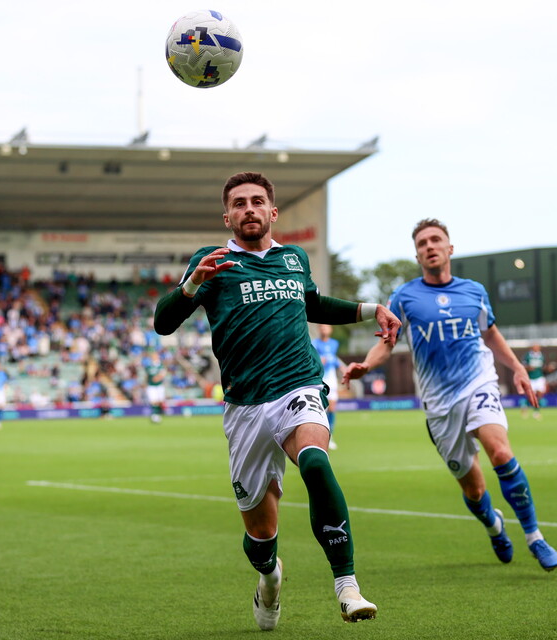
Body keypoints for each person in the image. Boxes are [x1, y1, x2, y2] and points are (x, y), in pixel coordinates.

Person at [154, 172, 400, 629]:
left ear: (272, 212)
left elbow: (312, 303)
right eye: (239, 203)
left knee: (315, 460)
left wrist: (371, 310)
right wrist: (191, 286)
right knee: (261, 537)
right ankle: (270, 577)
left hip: (298, 386)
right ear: (227, 216)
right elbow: (163, 324)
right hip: (245, 406)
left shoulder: (294, 257)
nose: (249, 209)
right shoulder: (212, 262)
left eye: (257, 201)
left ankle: (347, 586)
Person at [343, 218, 557, 572]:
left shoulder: (474, 290)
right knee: (474, 489)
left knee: (501, 451)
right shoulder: (404, 296)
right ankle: (494, 525)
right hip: (439, 404)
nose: (430, 246)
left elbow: (490, 335)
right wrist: (366, 366)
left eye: (436, 240)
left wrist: (518, 368)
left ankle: (535, 537)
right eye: (423, 243)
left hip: (478, 382)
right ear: (417, 255)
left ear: (450, 248)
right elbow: (387, 344)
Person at [312, 324, 345, 450]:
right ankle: (320, 436)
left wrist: (342, 368)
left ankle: (330, 435)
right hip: (320, 378)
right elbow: (313, 359)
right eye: (321, 327)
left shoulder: (334, 344)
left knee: (332, 407)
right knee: (320, 408)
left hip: (331, 378)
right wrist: (319, 360)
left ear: (330, 329)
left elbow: (334, 358)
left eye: (326, 327)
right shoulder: (314, 343)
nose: (323, 329)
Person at [521, 343, 546, 419]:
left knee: (540, 394)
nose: (537, 349)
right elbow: (523, 367)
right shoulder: (527, 356)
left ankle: (536, 411)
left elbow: (542, 366)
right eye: (535, 347)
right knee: (531, 395)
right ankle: (525, 406)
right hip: (530, 378)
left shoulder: (541, 356)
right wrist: (528, 368)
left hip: (539, 377)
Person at [142, 351, 167, 424]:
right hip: (151, 386)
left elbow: (163, 374)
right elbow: (146, 376)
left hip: (159, 386)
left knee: (160, 401)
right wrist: (145, 383)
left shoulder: (160, 366)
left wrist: (158, 378)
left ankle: (158, 414)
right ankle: (155, 416)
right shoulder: (149, 366)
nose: (153, 357)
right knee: (153, 401)